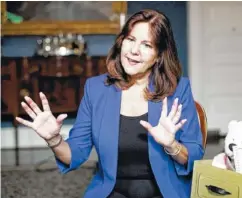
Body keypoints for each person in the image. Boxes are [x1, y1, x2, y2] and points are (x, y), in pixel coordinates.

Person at [16, 9, 204, 198]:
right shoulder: (96, 89)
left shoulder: (178, 89)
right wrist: (53, 140)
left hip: (165, 193)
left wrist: (172, 145)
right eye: (130, 40)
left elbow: (194, 155)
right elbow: (75, 154)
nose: (134, 51)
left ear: (158, 56)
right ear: (121, 41)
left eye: (146, 45)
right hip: (113, 192)